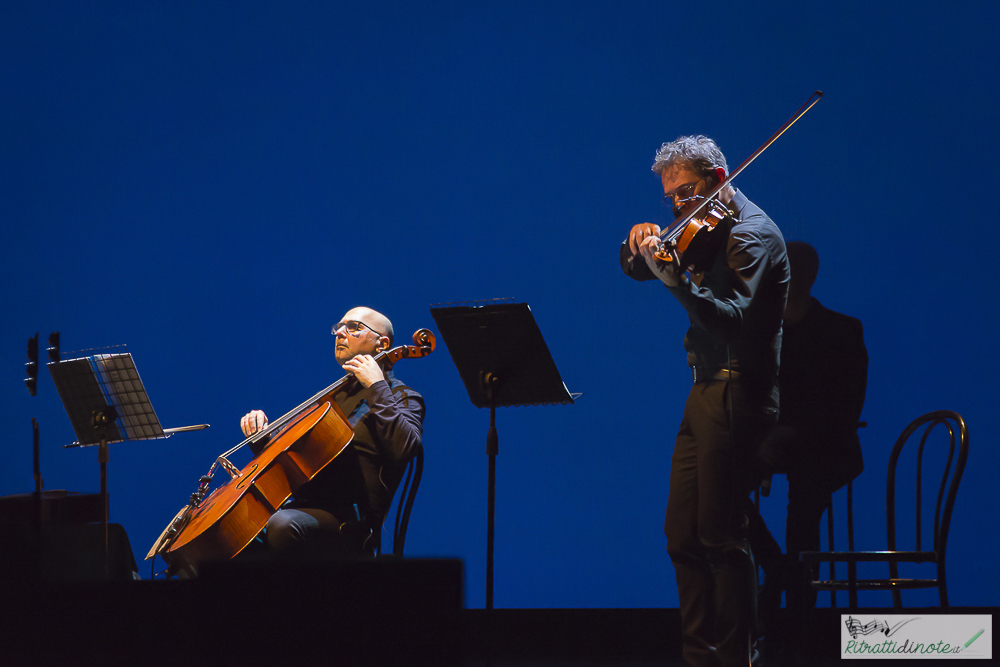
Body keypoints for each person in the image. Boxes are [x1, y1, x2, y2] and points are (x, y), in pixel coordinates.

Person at [622, 135, 789, 667]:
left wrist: (673, 280)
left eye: (686, 192)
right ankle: (700, 656)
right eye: (670, 197)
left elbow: (732, 317)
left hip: (740, 388)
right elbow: (635, 269)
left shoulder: (752, 234)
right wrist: (638, 245)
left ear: (718, 178)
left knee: (720, 533)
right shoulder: (704, 226)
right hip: (705, 388)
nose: (677, 206)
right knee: (681, 535)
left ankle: (739, 654)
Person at [239, 306, 425, 556]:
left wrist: (376, 386)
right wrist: (263, 439)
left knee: (283, 525)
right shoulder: (331, 398)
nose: (340, 332)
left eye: (354, 327)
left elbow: (404, 448)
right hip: (303, 506)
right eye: (339, 327)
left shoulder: (402, 396)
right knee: (238, 535)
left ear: (382, 344)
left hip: (350, 522)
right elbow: (296, 459)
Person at [759, 241, 868, 613]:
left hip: (823, 446)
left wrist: (786, 433)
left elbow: (844, 408)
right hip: (779, 443)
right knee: (719, 485)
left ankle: (794, 597)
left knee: (805, 500)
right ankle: (782, 570)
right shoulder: (763, 332)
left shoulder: (842, 331)